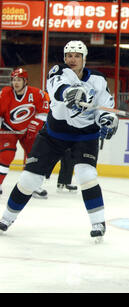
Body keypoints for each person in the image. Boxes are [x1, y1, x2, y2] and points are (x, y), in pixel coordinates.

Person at [0, 41, 119, 241]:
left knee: (87, 175)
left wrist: (107, 119)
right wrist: (70, 93)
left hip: (85, 135)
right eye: (69, 55)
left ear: (84, 58)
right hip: (55, 134)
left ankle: (98, 223)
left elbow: (104, 108)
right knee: (29, 179)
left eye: (77, 56)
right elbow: (58, 89)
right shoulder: (58, 71)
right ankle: (6, 218)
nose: (72, 59)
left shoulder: (98, 80)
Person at [0, 68, 49, 199]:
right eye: (14, 80)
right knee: (6, 155)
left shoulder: (37, 93)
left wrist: (34, 126)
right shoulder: (5, 93)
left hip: (28, 131)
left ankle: (31, 186)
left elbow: (44, 111)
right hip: (9, 129)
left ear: (25, 81)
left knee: (34, 157)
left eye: (19, 80)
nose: (15, 83)